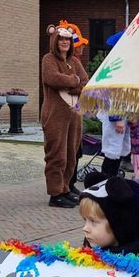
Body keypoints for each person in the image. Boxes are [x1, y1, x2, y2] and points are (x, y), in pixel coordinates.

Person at [41, 22, 89, 207]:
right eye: (61, 39)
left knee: (71, 155)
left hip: (74, 115)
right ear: (54, 40)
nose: (64, 42)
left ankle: (65, 189)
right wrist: (73, 80)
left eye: (67, 40)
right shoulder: (48, 59)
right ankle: (55, 193)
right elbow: (52, 78)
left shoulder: (75, 62)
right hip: (55, 115)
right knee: (57, 155)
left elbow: (85, 83)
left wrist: (71, 84)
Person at [77, 173, 139, 255]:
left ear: (120, 224)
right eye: (85, 220)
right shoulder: (85, 256)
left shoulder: (133, 266)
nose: (85, 228)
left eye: (93, 221)